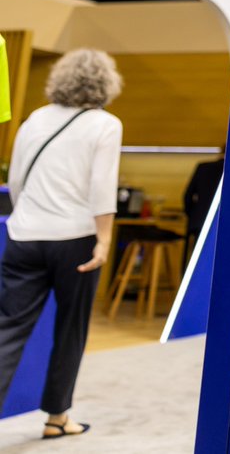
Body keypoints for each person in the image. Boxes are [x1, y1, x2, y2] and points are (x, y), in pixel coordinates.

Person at [0, 49, 123, 439]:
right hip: (75, 240)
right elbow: (102, 188)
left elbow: (17, 180)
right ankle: (57, 417)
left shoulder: (35, 118)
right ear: (105, 83)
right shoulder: (106, 124)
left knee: (7, 329)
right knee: (71, 329)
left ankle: (55, 417)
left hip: (24, 236)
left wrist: (31, 216)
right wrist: (104, 240)